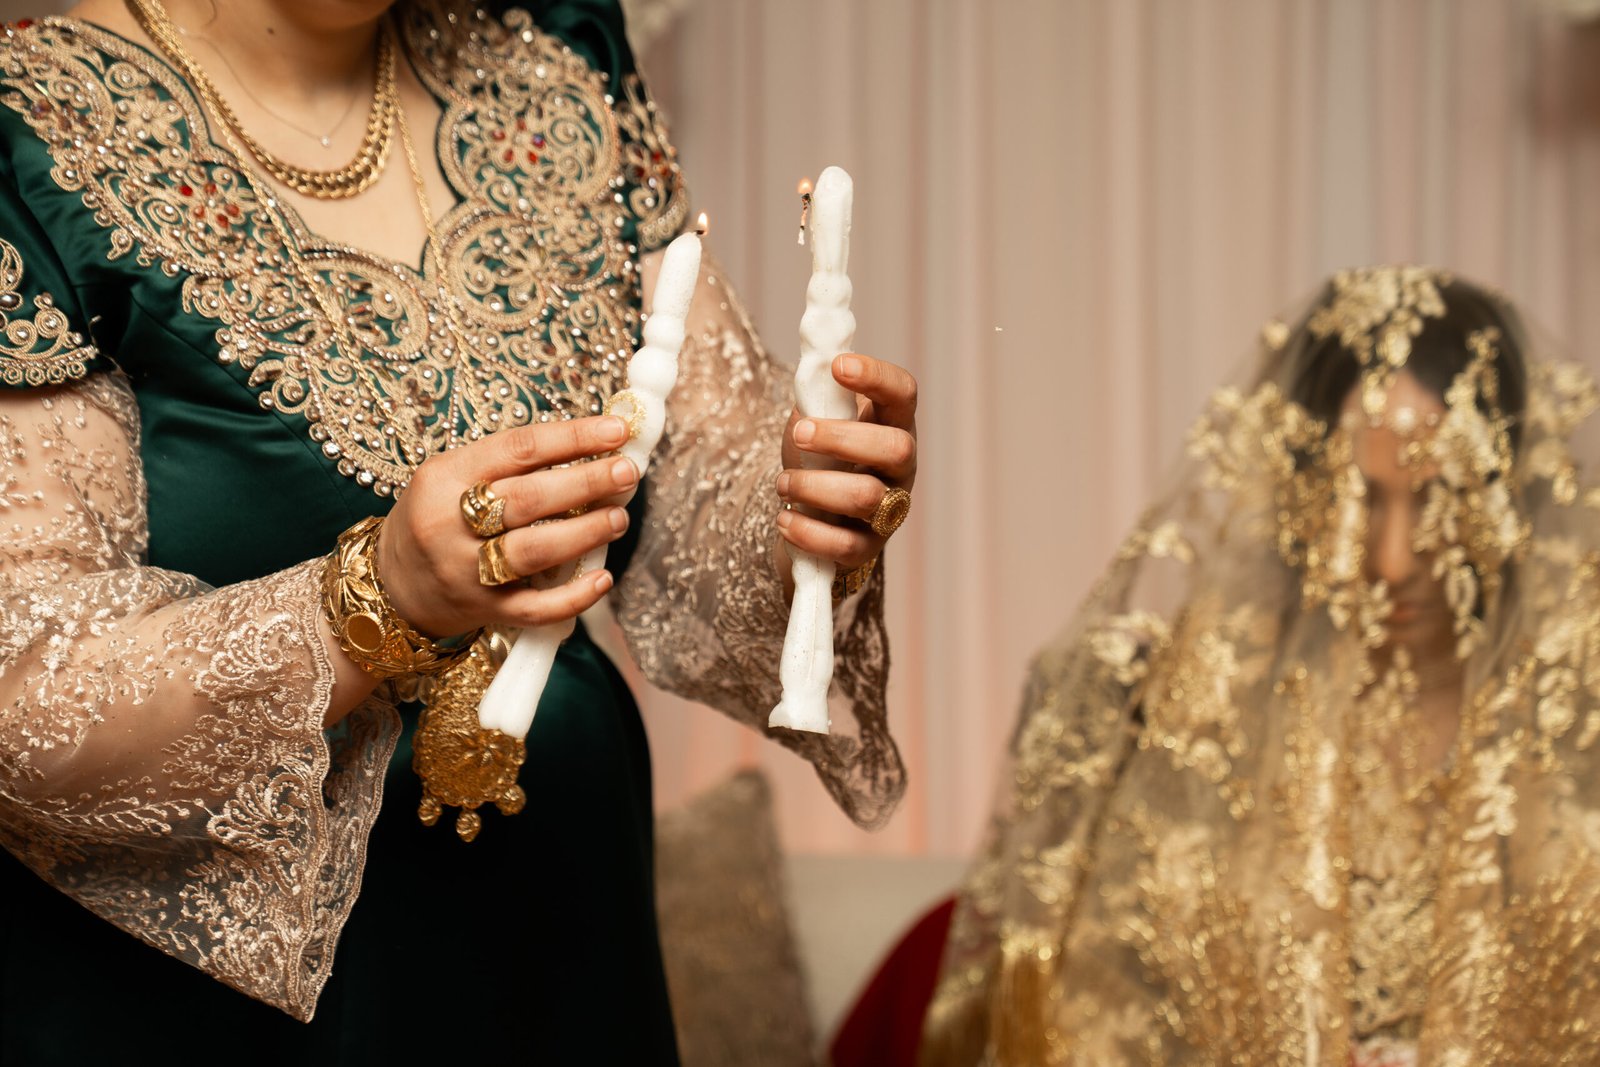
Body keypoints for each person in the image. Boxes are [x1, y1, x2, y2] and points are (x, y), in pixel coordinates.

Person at [0, 0, 917, 1061]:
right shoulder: (33, 135)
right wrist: (370, 601)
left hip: (559, 912)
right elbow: (25, 684)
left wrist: (807, 510)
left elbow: (699, 477)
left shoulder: (553, 53)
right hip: (199, 1007)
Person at [917, 267, 1600, 1065]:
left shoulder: (1570, 724)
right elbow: (1109, 1013)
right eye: (1360, 500)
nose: (1393, 558)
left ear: (1505, 492)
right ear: (1304, 491)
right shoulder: (1203, 718)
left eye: (1436, 499)